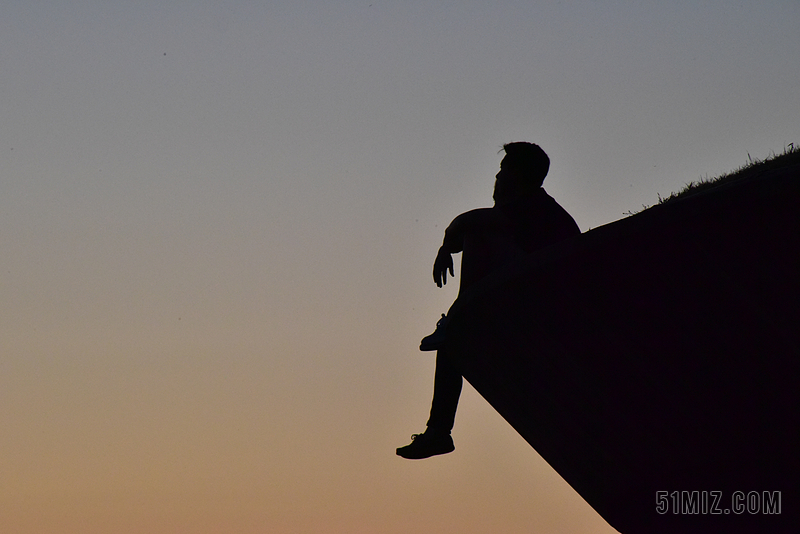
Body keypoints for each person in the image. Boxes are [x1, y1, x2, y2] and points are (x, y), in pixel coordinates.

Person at [397, 142, 581, 459]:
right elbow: (462, 232)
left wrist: (447, 244)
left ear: (517, 175)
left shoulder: (536, 210)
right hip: (532, 306)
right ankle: (438, 431)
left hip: (555, 316)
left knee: (480, 236)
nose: (496, 176)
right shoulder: (520, 214)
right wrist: (448, 244)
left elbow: (467, 223)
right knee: (453, 341)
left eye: (503, 169)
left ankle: (454, 323)